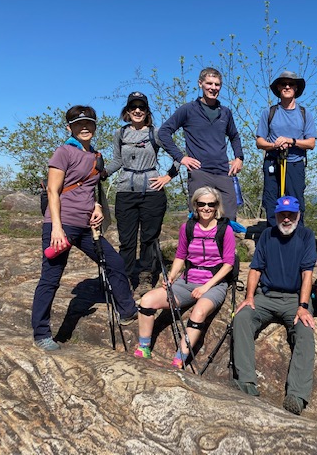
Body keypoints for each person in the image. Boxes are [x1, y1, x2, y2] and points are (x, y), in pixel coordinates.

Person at [32, 106, 138, 351]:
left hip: (86, 226)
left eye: (89, 123)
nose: (85, 128)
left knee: (115, 262)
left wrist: (97, 207)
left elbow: (90, 188)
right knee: (51, 278)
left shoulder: (95, 156)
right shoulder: (63, 152)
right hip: (62, 224)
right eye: (78, 124)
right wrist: (57, 228)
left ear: (95, 126)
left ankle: (127, 311)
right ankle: (41, 334)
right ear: (69, 128)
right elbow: (52, 190)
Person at [232, 196, 317, 415]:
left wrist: (303, 306)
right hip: (266, 296)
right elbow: (255, 269)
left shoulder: (306, 236)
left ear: (298, 215)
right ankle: (246, 382)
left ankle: (297, 396)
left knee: (305, 331)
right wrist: (249, 297)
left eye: (290, 214)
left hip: (294, 299)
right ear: (276, 215)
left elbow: (307, 273)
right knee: (242, 318)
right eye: (282, 214)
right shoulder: (267, 235)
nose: (286, 218)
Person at [133, 186, 235, 368]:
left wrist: (206, 287)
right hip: (186, 281)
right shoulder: (187, 227)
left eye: (211, 204)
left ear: (217, 206)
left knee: (199, 312)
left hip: (214, 284)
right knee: (147, 301)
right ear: (195, 205)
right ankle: (144, 347)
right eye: (201, 203)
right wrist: (171, 277)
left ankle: (179, 359)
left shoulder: (224, 230)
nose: (206, 208)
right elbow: (180, 256)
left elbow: (228, 264)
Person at [103, 92, 180, 292]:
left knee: (149, 238)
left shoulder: (156, 133)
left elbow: (178, 156)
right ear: (127, 111)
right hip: (125, 190)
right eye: (133, 107)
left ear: (147, 111)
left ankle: (146, 277)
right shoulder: (120, 134)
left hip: (152, 192)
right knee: (126, 239)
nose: (137, 110)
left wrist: (167, 177)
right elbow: (118, 161)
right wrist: (102, 173)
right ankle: (126, 278)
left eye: (141, 107)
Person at [158, 67, 244, 220]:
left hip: (224, 173)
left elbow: (234, 136)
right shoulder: (188, 110)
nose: (213, 88)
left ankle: (226, 245)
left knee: (229, 219)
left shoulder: (225, 112)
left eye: (217, 84)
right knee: (200, 220)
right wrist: (180, 157)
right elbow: (164, 132)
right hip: (200, 173)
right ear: (200, 84)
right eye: (209, 83)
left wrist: (239, 157)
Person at [256, 71, 316, 226]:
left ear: (296, 88)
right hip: (272, 162)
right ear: (278, 88)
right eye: (283, 84)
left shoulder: (304, 114)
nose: (287, 87)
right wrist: (273, 145)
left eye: (291, 84)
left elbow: (310, 143)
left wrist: (291, 141)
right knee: (271, 202)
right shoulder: (269, 113)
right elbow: (260, 142)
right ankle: (272, 239)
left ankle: (297, 239)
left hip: (295, 164)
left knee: (296, 202)